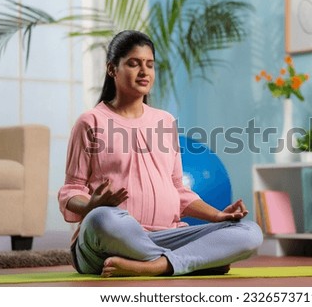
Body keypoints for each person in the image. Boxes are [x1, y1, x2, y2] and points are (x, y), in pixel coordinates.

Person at [57, 30, 263, 277]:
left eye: (150, 65)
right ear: (112, 69)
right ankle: (191, 261)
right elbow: (71, 190)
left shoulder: (165, 121)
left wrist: (218, 215)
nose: (144, 72)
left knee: (250, 232)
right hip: (107, 239)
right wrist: (91, 205)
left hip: (166, 236)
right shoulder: (91, 121)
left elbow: (178, 191)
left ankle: (156, 265)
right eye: (133, 64)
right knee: (102, 218)